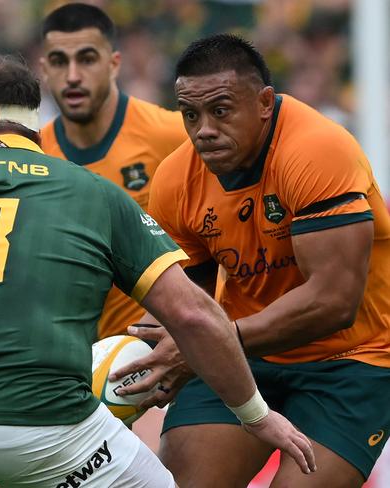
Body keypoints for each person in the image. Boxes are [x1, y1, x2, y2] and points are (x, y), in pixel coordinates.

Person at [0, 53, 315, 488]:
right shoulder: (92, 191)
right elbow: (196, 318)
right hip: (50, 433)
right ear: (36, 120)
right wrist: (257, 416)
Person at [111, 34, 390, 487]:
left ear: (264, 103)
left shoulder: (318, 151)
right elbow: (184, 297)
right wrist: (142, 359)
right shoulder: (175, 179)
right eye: (190, 114)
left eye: (220, 110)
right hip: (242, 354)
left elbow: (335, 302)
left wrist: (207, 343)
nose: (203, 129)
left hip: (352, 360)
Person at [40, 3, 188, 339]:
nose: (73, 75)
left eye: (87, 59)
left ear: (114, 64)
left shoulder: (170, 135)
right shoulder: (35, 156)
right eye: (60, 62)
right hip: (76, 361)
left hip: (170, 351)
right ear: (44, 69)